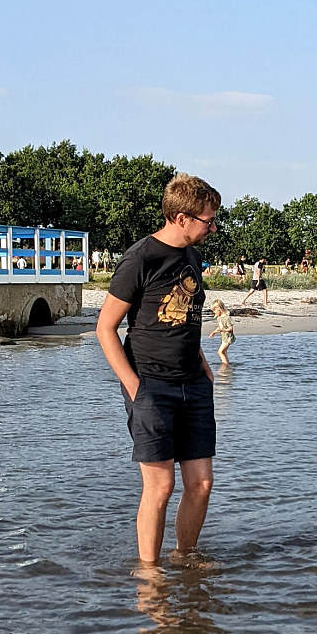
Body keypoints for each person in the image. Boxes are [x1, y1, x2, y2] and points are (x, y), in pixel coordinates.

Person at [96, 174, 222, 567]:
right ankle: (149, 574)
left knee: (201, 485)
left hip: (193, 384)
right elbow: (105, 328)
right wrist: (134, 387)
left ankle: (184, 558)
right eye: (207, 220)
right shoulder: (140, 259)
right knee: (161, 485)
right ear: (181, 217)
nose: (213, 228)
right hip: (150, 384)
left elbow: (186, 315)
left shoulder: (192, 258)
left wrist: (201, 360)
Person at [207, 297, 236, 364]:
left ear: (219, 309)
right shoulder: (219, 318)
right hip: (224, 337)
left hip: (228, 337)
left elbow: (230, 329)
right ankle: (225, 363)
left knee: (220, 352)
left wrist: (223, 330)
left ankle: (226, 365)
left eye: (214, 310)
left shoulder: (226, 318)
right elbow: (220, 327)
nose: (214, 312)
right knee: (223, 352)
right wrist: (214, 332)